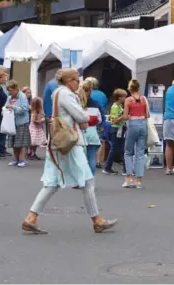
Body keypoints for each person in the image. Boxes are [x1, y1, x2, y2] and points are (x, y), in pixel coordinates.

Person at [21, 68, 117, 234]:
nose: (78, 83)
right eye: (76, 80)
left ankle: (31, 217)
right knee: (87, 180)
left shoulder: (57, 93)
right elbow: (81, 116)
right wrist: (85, 119)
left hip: (58, 142)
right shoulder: (66, 94)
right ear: (68, 81)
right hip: (71, 142)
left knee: (52, 182)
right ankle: (97, 220)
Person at [122, 79, 149, 188]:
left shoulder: (128, 100)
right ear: (138, 88)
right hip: (143, 124)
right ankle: (139, 180)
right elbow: (148, 115)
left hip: (132, 124)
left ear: (129, 88)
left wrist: (124, 117)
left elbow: (125, 116)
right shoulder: (144, 99)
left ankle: (129, 178)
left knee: (128, 152)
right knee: (140, 153)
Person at [78, 79, 102, 178]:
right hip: (92, 133)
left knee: (80, 159)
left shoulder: (77, 103)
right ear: (90, 90)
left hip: (80, 134)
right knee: (91, 158)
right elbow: (99, 119)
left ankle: (80, 180)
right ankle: (90, 180)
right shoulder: (95, 105)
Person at [5, 80, 30, 167]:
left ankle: (22, 160)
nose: (10, 92)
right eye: (8, 90)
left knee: (22, 143)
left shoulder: (22, 96)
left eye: (11, 90)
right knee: (14, 142)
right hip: (12, 123)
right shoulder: (9, 97)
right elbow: (5, 107)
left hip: (22, 122)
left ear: (16, 89)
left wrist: (12, 107)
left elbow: (24, 109)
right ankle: (15, 159)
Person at [85, 77, 108, 168]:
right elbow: (105, 106)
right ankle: (98, 161)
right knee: (99, 140)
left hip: (88, 121)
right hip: (99, 118)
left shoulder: (87, 94)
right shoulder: (102, 94)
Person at [103, 89, 127, 175]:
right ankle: (108, 167)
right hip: (116, 129)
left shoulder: (120, 106)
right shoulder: (115, 107)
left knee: (120, 149)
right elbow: (114, 120)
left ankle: (124, 169)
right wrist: (123, 116)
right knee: (115, 149)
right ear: (119, 98)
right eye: (124, 97)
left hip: (120, 129)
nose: (125, 98)